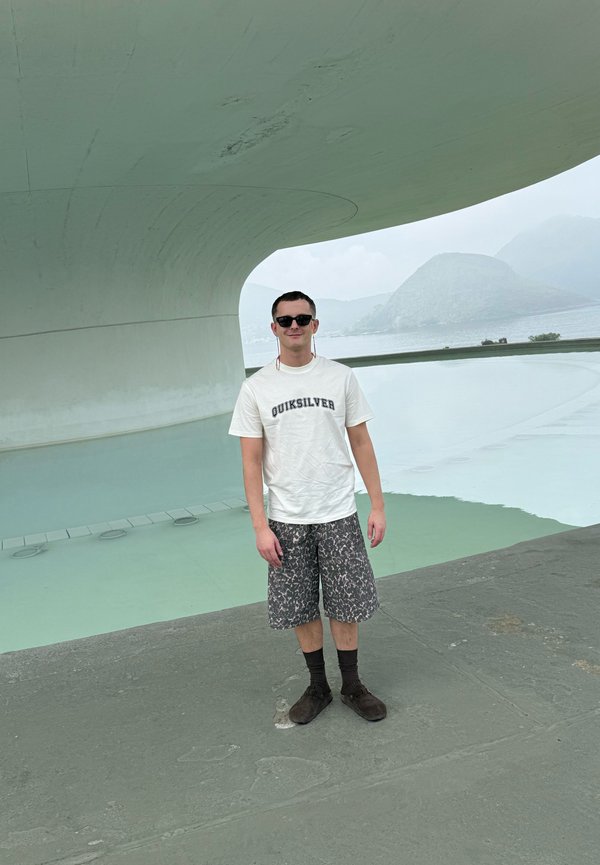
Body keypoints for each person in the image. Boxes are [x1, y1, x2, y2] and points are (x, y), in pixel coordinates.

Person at [228, 291, 387, 724]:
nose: (293, 326)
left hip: (337, 511)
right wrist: (260, 526)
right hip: (286, 518)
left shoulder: (341, 378)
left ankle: (352, 685)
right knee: (300, 607)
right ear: (273, 328)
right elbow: (250, 461)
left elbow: (361, 443)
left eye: (302, 318)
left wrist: (377, 505)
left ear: (315, 325)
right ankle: (318, 687)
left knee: (346, 603)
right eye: (285, 320)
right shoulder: (256, 388)